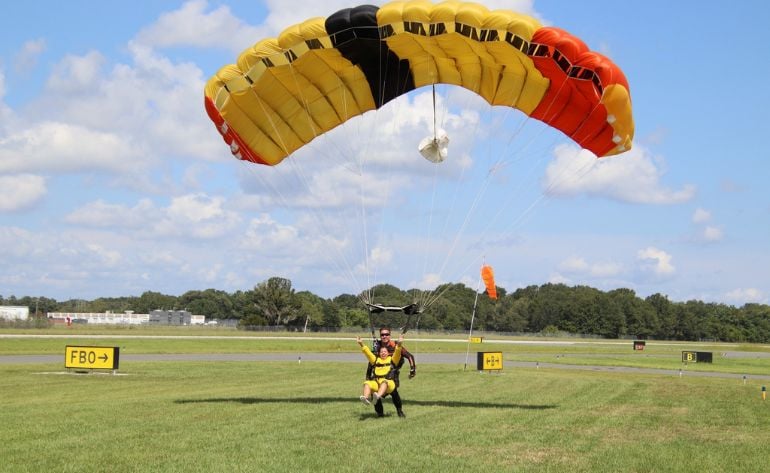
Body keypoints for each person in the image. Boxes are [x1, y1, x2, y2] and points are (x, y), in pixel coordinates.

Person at [366, 327, 416, 418]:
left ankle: (399, 411)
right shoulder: (377, 346)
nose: (384, 336)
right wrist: (368, 376)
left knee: (393, 392)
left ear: (390, 335)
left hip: (392, 372)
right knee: (374, 392)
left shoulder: (395, 345)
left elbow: (409, 356)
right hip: (379, 372)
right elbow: (371, 362)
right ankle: (380, 413)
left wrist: (412, 369)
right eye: (382, 335)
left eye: (386, 334)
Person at [357, 334, 403, 414]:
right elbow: (368, 353)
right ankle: (366, 398)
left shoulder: (392, 360)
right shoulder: (375, 360)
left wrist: (399, 344)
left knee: (384, 382)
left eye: (385, 352)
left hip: (389, 383)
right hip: (377, 383)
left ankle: (377, 397)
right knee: (367, 383)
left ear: (388, 353)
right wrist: (361, 344)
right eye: (381, 352)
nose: (383, 353)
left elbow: (397, 352)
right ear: (379, 353)